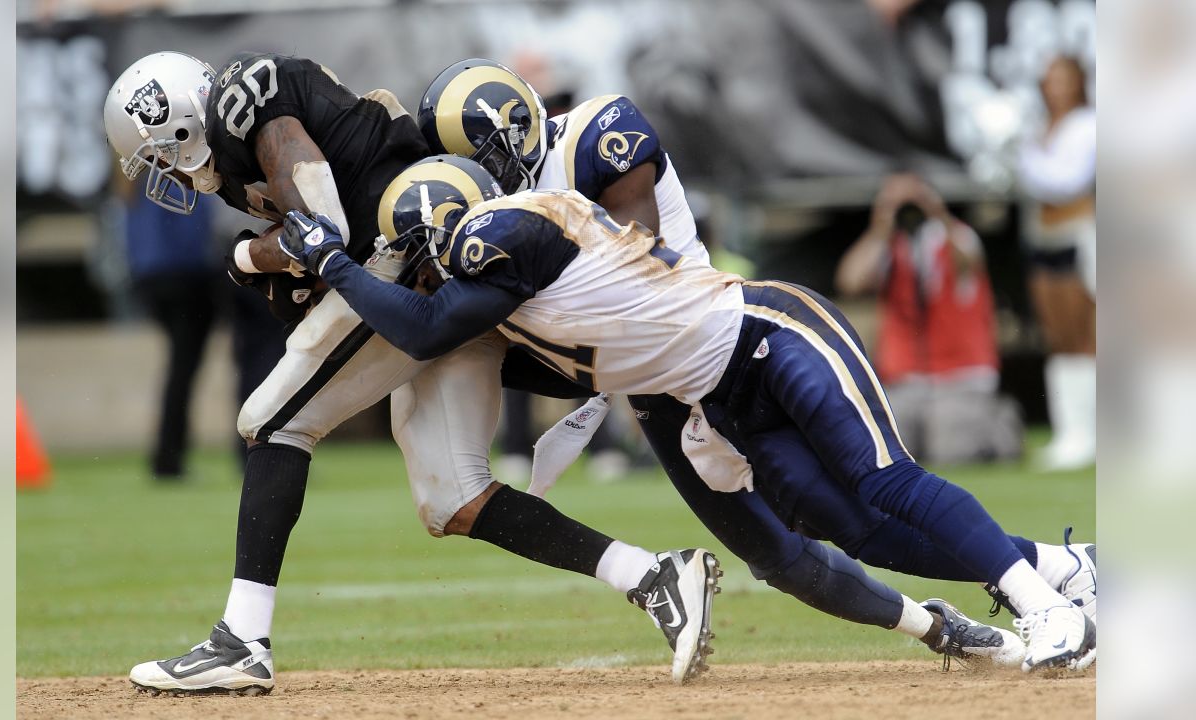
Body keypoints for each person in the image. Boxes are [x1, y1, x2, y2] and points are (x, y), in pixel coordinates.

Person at [283, 158, 1097, 674]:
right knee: (858, 529)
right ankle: (1069, 572)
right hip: (723, 395)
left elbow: (422, 324)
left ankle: (1047, 607)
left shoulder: (494, 234)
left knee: (884, 481)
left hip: (768, 333)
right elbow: (453, 331)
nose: (420, 281)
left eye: (416, 259)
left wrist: (330, 260)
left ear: (442, 230)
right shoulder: (513, 286)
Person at [420, 59, 1093, 654]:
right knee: (819, 546)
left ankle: (1045, 604)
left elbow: (633, 267)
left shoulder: (597, 131)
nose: (485, 182)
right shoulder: (498, 224)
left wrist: (506, 299)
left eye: (485, 160)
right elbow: (561, 360)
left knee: (884, 479)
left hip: (743, 334)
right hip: (674, 395)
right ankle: (1046, 577)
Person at [105, 50, 720, 693]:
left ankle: (241, 639)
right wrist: (267, 259)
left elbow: (323, 232)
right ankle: (654, 577)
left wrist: (247, 257)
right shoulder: (235, 160)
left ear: (174, 125)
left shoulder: (247, 101)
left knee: (273, 421)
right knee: (453, 496)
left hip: (405, 257)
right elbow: (304, 237)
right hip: (434, 263)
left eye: (156, 154)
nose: (161, 172)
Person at [835, 174, 1022, 464]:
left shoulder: (956, 236)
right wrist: (880, 227)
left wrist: (938, 214)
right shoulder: (888, 247)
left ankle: (1000, 423)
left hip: (960, 375)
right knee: (888, 453)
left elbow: (968, 264)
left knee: (951, 453)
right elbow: (850, 281)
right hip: (906, 377)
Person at [1018, 56, 1096, 471]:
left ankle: (1093, 434)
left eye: (1064, 79)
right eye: (1049, 80)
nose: (1056, 87)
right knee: (1058, 338)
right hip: (1042, 237)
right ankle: (1070, 432)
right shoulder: (1038, 128)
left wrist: (1024, 160)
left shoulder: (1088, 124)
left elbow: (1067, 182)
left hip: (1076, 235)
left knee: (1086, 336)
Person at [121, 180, 222, 479]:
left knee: (181, 368)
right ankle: (168, 455)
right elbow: (196, 230)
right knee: (183, 369)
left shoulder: (133, 182)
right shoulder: (172, 178)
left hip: (151, 276)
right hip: (186, 276)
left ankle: (168, 453)